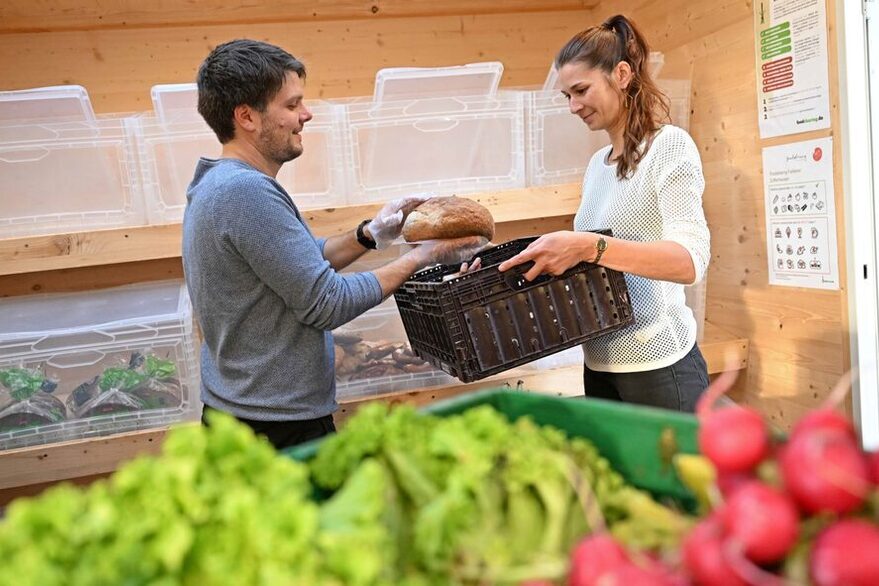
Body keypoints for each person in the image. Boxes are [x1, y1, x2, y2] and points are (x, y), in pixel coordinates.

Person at [183, 39, 484, 449]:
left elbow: (299, 264)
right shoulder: (246, 194)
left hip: (247, 410)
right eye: (291, 105)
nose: (305, 115)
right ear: (247, 117)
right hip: (272, 426)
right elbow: (326, 302)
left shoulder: (222, 183)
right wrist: (422, 257)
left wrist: (372, 234)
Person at [498, 15, 711, 413]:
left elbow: (688, 262)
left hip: (661, 367)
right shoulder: (598, 165)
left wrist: (587, 245)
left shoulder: (669, 148)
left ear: (622, 74)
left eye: (581, 90)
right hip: (598, 364)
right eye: (567, 96)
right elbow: (595, 263)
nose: (574, 106)